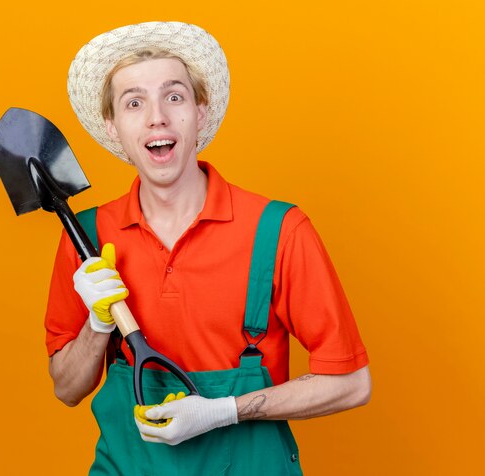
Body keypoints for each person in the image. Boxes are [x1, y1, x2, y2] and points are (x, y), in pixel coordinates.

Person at [45, 21, 371, 475]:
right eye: (133, 102)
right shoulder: (88, 238)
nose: (156, 116)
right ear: (113, 127)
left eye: (174, 96)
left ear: (200, 111)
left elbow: (352, 384)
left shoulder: (278, 231)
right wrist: (98, 326)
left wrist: (225, 411)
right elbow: (67, 388)